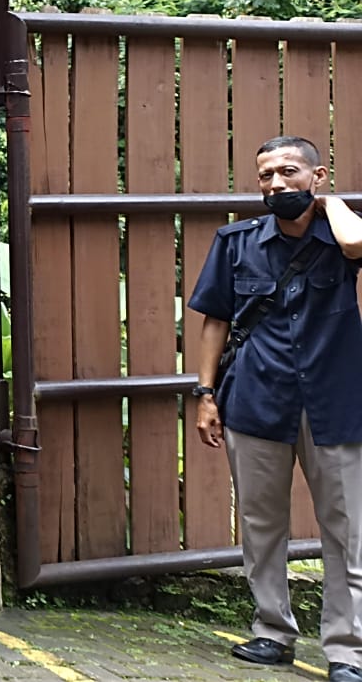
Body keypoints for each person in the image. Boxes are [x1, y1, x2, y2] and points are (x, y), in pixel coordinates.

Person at [188, 135, 362, 682]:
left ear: (317, 174)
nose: (275, 184)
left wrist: (330, 203)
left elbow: (357, 242)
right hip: (257, 400)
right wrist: (205, 394)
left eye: (288, 171)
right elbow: (215, 319)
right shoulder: (236, 242)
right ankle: (272, 633)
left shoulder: (341, 238)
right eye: (265, 175)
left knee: (348, 530)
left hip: (337, 403)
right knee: (262, 525)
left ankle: (348, 651)